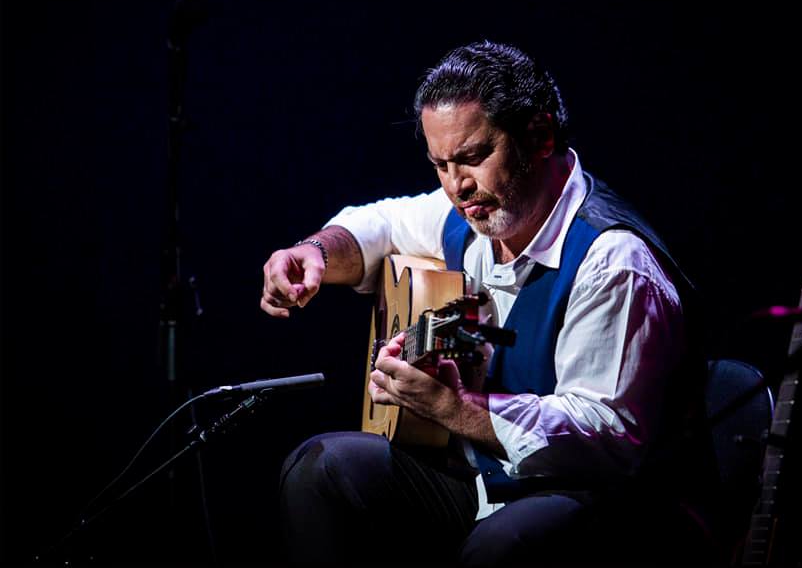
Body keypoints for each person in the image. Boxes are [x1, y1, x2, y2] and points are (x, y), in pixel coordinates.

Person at [260, 41, 719, 566]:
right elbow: (379, 226)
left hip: (611, 502)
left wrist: (456, 410)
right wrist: (313, 252)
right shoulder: (473, 210)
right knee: (318, 469)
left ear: (540, 137)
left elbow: (608, 435)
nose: (458, 186)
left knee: (497, 551)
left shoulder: (612, 262)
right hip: (486, 480)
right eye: (441, 164)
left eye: (475, 157)